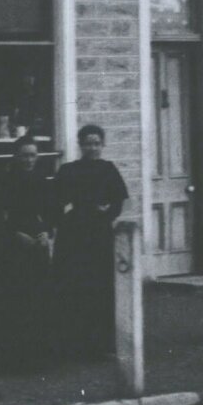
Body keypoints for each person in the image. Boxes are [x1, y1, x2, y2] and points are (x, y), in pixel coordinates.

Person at [49, 124, 129, 363]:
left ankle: (100, 344)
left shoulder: (108, 170)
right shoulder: (68, 170)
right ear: (80, 145)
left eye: (96, 143)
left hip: (99, 235)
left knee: (99, 287)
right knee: (73, 286)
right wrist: (66, 217)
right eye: (87, 143)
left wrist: (105, 214)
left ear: (102, 145)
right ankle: (72, 343)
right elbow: (55, 201)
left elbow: (118, 202)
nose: (92, 147)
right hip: (73, 235)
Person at [0, 134, 55, 371]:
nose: (29, 160)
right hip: (13, 246)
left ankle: (37, 356)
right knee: (15, 300)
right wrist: (16, 235)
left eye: (33, 155)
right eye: (24, 155)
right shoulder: (5, 180)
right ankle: (14, 357)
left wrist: (46, 233)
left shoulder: (41, 179)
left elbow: (51, 210)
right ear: (15, 156)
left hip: (37, 246)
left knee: (39, 299)